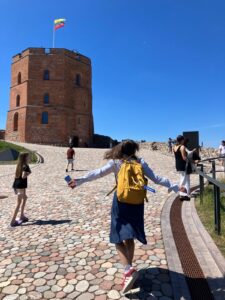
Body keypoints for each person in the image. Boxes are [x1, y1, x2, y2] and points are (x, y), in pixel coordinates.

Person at [67, 140, 178, 293]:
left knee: (117, 237)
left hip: (121, 202)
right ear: (135, 150)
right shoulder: (140, 162)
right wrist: (175, 186)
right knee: (129, 237)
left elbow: (97, 173)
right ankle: (129, 269)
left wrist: (78, 181)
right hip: (137, 203)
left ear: (121, 150)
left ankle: (128, 269)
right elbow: (157, 178)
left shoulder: (116, 163)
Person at [11, 152, 31, 227]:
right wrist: (28, 173)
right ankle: (13, 221)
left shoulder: (19, 165)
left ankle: (22, 215)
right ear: (25, 158)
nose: (29, 158)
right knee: (18, 203)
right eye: (28, 157)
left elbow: (17, 176)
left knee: (25, 198)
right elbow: (23, 176)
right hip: (21, 186)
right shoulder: (25, 166)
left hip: (17, 185)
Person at [173, 135, 194, 200]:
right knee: (183, 180)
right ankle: (182, 194)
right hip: (184, 165)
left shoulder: (174, 147)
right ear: (182, 140)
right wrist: (192, 161)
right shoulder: (182, 147)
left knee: (186, 179)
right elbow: (184, 157)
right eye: (183, 139)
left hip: (178, 164)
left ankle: (187, 193)